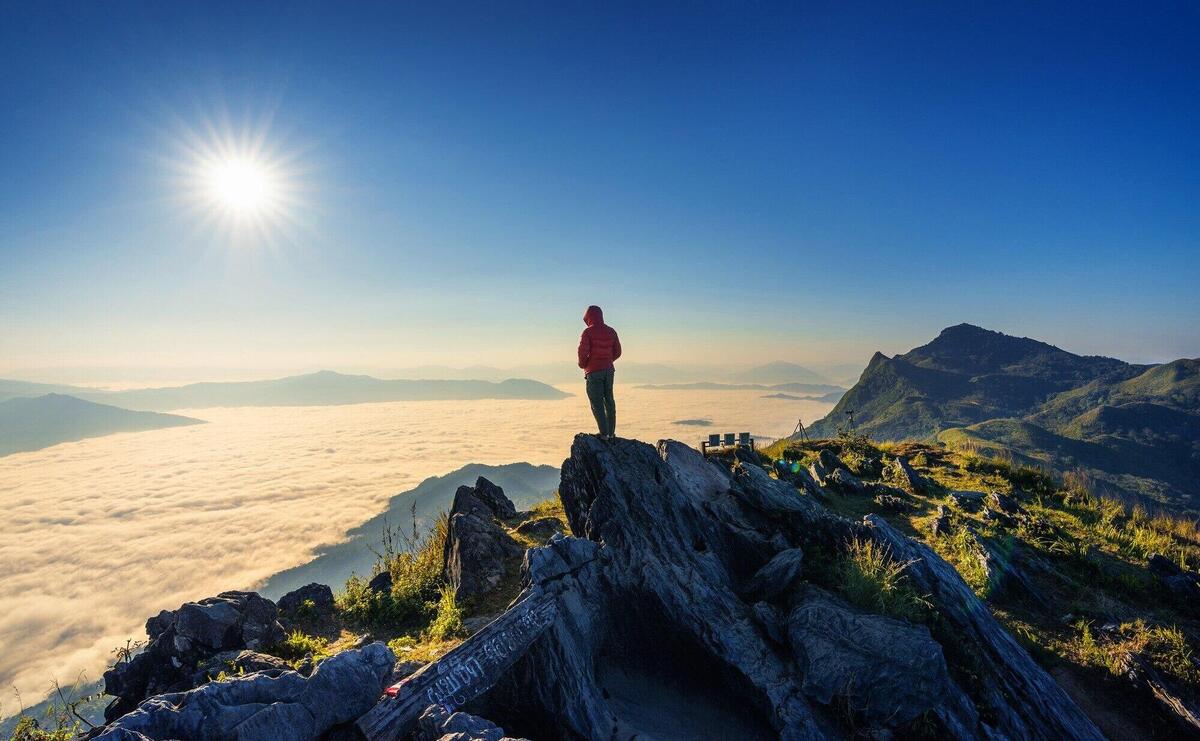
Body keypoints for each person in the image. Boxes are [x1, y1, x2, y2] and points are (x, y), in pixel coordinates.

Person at [577, 305, 621, 438]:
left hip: (594, 372)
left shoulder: (588, 332)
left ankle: (603, 434)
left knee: (597, 403)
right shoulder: (611, 331)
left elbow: (582, 353)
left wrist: (584, 365)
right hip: (609, 371)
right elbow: (618, 352)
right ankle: (611, 433)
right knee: (609, 400)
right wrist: (608, 360)